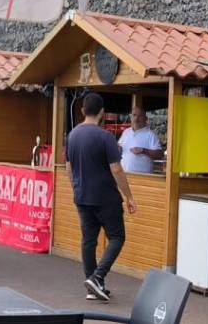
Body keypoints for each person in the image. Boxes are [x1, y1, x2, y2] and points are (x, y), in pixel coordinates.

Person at [65, 92, 138, 301]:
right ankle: (97, 278)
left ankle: (93, 284)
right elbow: (116, 169)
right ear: (102, 112)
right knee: (117, 237)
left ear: (82, 111)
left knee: (88, 241)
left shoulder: (72, 135)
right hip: (106, 197)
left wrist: (76, 189)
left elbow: (69, 169)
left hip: (82, 196)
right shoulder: (105, 136)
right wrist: (129, 196)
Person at [118, 103, 164, 174]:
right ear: (131, 117)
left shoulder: (150, 134)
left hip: (142, 178)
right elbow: (119, 149)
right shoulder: (126, 132)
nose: (136, 118)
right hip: (124, 175)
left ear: (145, 118)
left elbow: (160, 155)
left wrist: (143, 150)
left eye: (140, 116)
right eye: (134, 115)